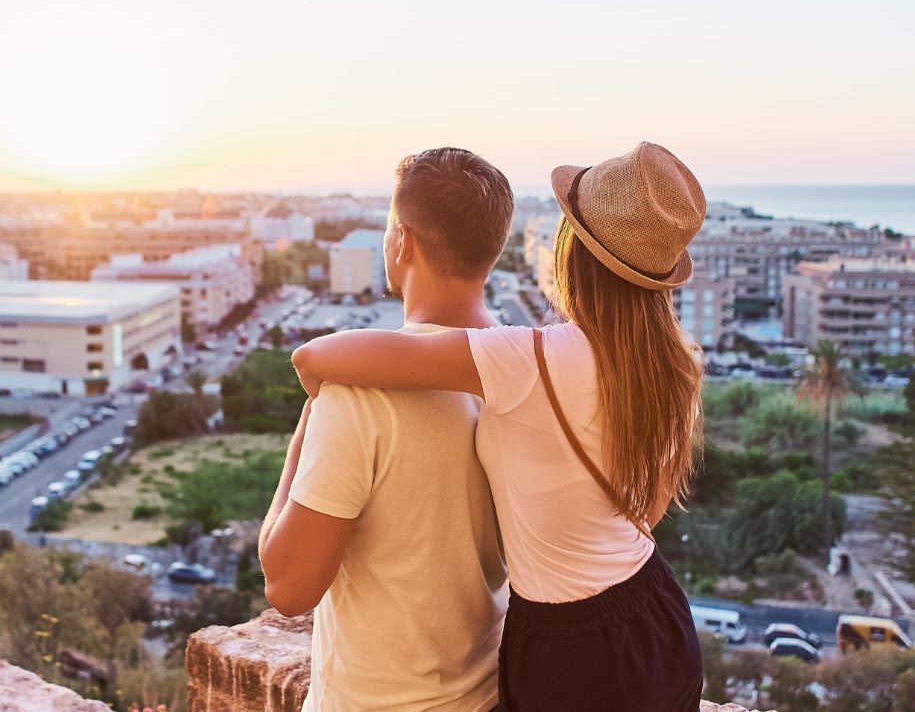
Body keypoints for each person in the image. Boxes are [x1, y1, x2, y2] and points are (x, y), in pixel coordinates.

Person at [292, 142, 706, 711]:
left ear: (572, 253)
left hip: (570, 644)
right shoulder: (674, 365)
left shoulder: (531, 358)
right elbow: (647, 509)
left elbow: (315, 359)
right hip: (655, 611)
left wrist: (320, 398)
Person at [259, 147, 513, 711]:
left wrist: (300, 443)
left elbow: (290, 588)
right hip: (487, 694)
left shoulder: (357, 392)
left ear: (402, 241)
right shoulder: (523, 373)